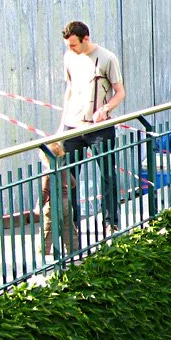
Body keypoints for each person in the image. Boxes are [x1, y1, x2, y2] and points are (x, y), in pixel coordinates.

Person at [58, 21, 125, 237]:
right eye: (68, 45)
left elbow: (120, 92)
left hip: (99, 128)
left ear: (85, 39)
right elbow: (69, 89)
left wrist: (105, 109)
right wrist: (62, 125)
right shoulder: (69, 58)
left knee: (107, 175)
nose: (71, 49)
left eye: (74, 45)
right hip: (73, 126)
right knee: (68, 178)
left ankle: (111, 222)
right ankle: (72, 226)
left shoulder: (107, 58)